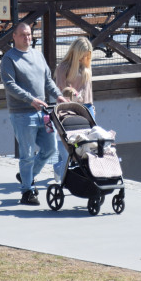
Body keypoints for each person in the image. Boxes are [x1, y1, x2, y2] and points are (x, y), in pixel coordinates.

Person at [0, 22, 67, 205]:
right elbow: (9, 85)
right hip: (23, 114)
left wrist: (59, 96)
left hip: (43, 113)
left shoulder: (38, 55)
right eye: (22, 35)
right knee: (27, 153)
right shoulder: (9, 58)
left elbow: (47, 80)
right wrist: (31, 100)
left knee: (51, 148)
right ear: (14, 36)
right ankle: (27, 192)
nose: (27, 38)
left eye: (29, 34)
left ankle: (27, 177)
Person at [51, 37, 95, 178]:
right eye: (83, 54)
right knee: (68, 145)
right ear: (76, 53)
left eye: (88, 55)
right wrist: (74, 94)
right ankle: (62, 171)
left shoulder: (86, 67)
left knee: (88, 144)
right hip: (68, 108)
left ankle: (72, 172)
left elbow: (85, 91)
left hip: (87, 108)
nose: (85, 58)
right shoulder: (63, 68)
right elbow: (61, 90)